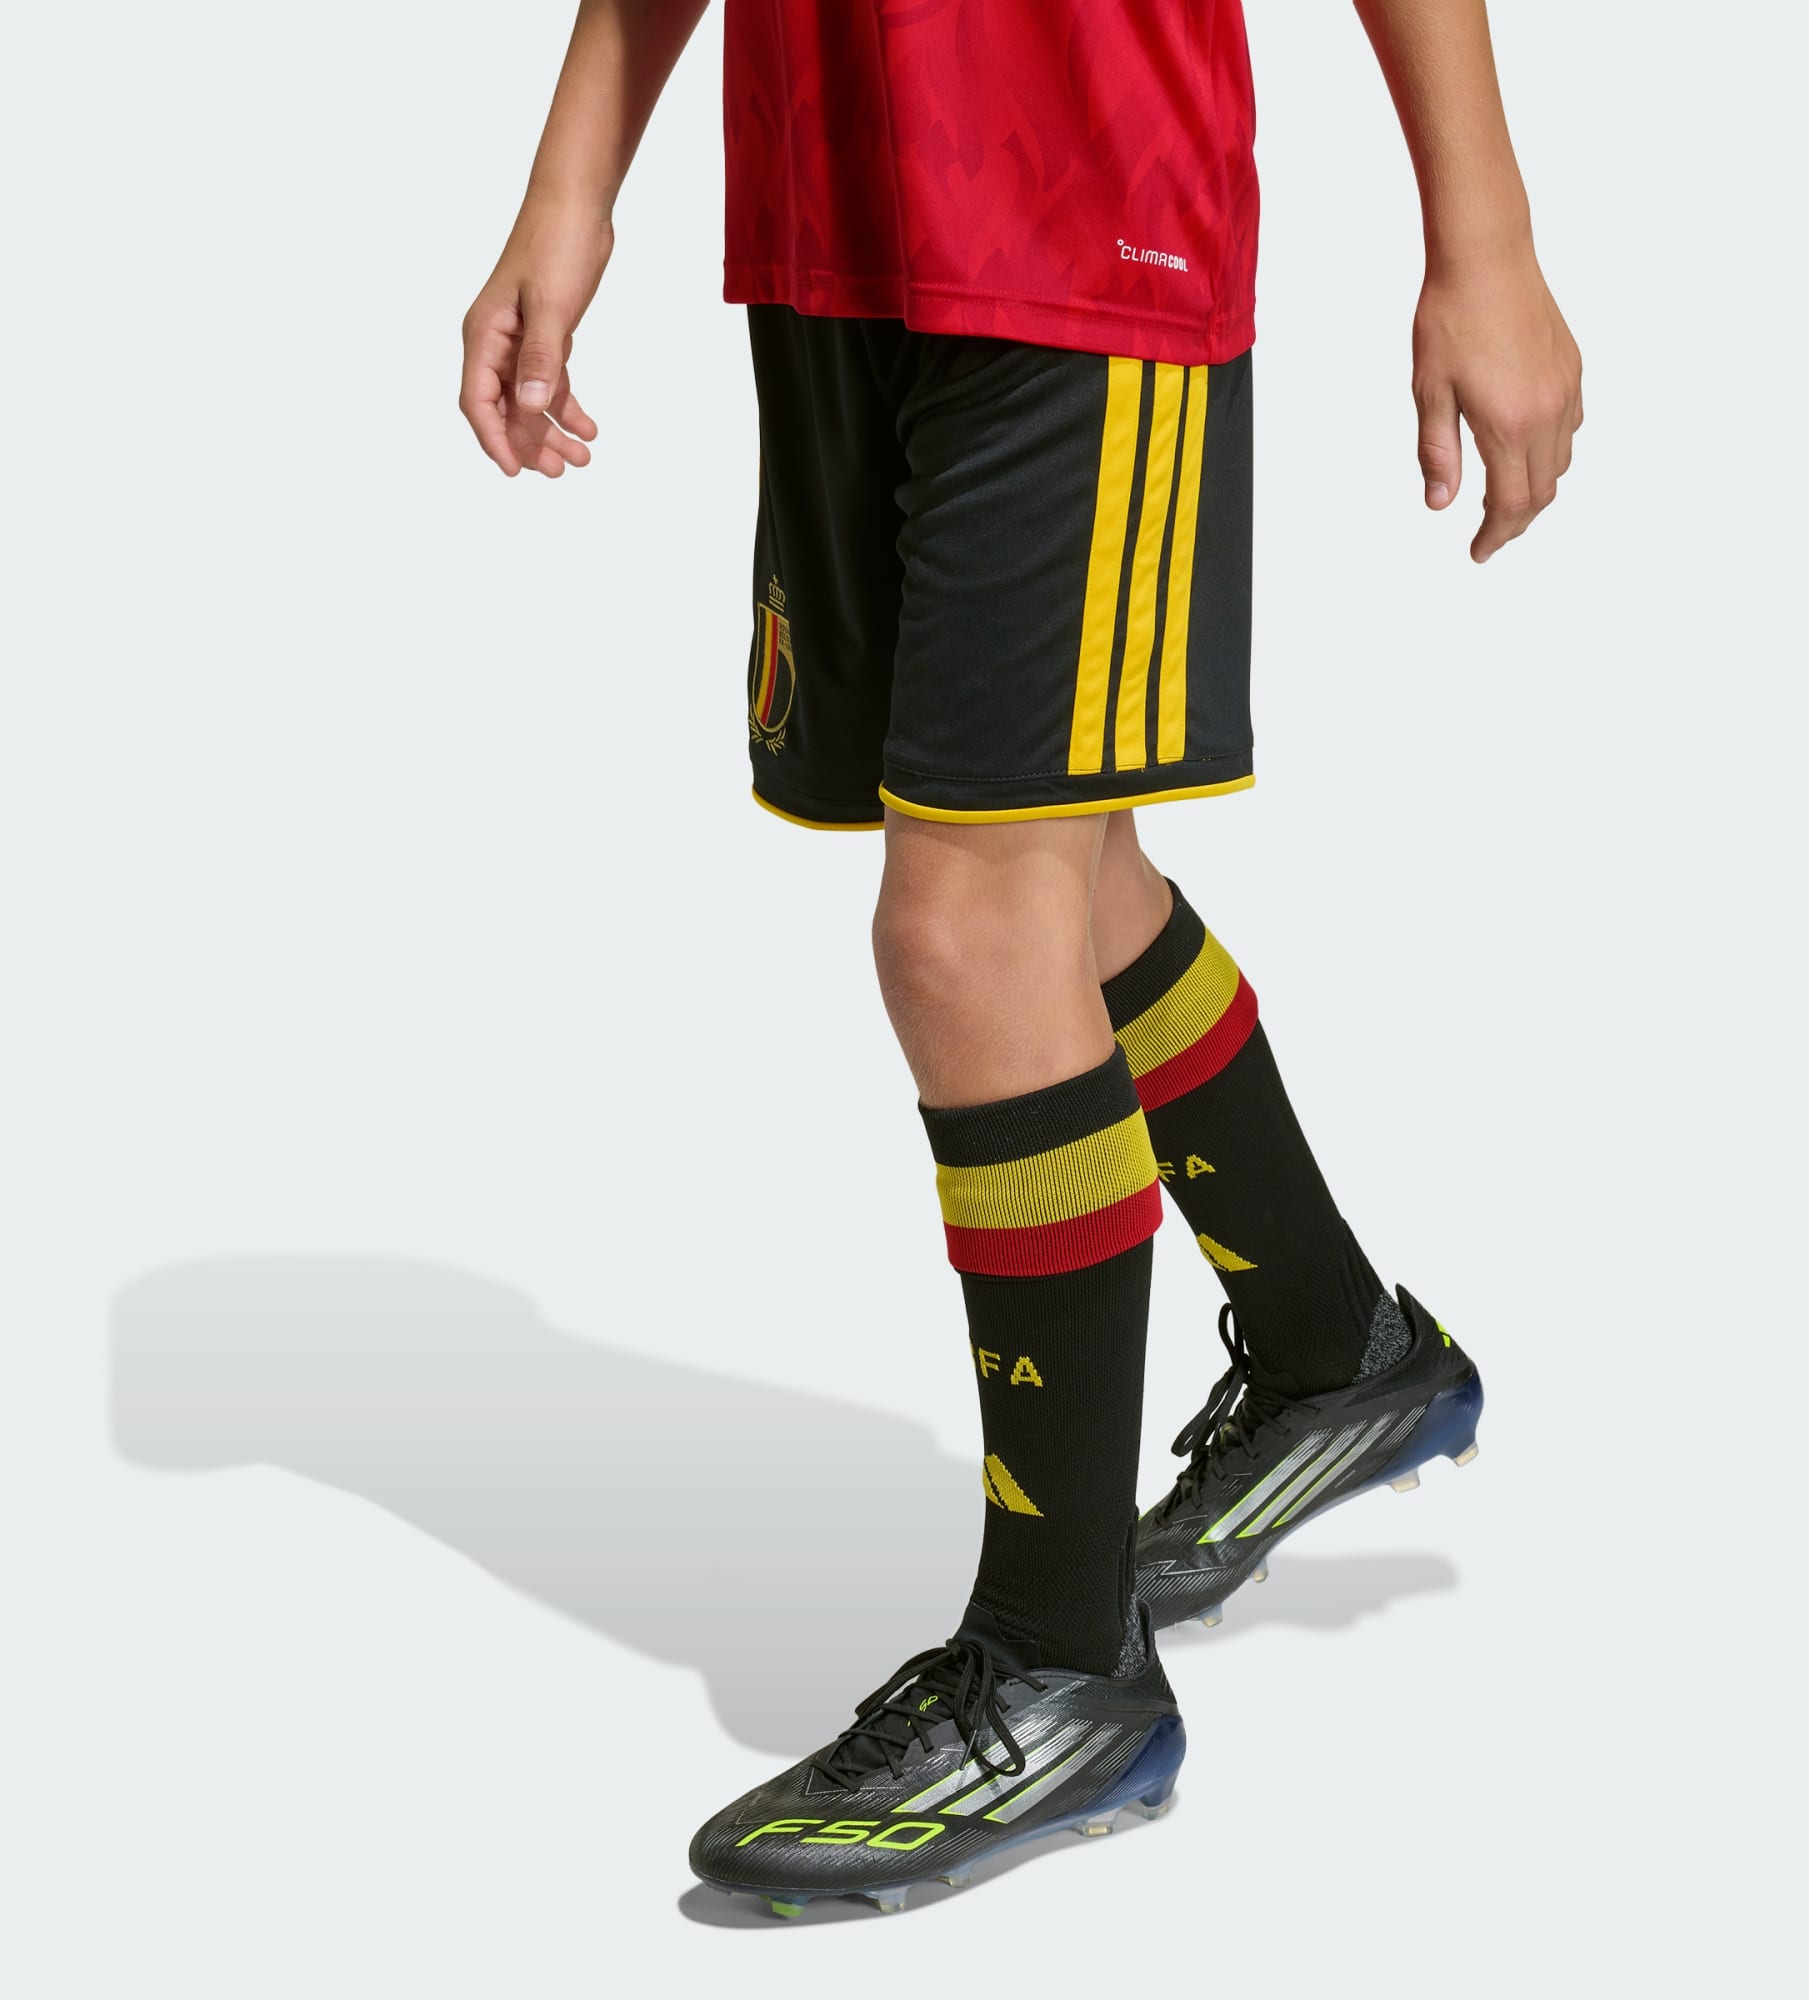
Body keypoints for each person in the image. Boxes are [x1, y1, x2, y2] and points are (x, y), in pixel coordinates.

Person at [461, 0, 1580, 1918]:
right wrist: (575, 182)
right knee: (1064, 878)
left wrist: (1484, 238)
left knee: (958, 932)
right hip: (833, 218)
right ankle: (1340, 1352)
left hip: (1084, 227)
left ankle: (1062, 1662)